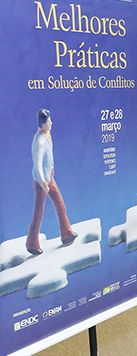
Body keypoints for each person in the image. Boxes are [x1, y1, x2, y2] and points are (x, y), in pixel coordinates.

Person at [26, 109, 78, 256]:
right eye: (49, 121)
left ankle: (66, 234)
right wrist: (42, 180)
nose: (51, 122)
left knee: (60, 205)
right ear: (43, 124)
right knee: (39, 213)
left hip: (49, 178)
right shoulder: (40, 142)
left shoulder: (46, 135)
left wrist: (50, 172)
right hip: (42, 182)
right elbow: (37, 163)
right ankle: (31, 243)